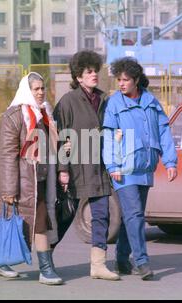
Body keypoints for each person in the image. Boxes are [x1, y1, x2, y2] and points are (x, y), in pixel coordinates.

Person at [102, 57, 178, 280]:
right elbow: (108, 136)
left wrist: (170, 161)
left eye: (125, 80)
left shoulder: (151, 101)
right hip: (123, 168)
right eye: (118, 79)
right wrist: (113, 164)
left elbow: (164, 131)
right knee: (135, 214)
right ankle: (142, 261)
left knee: (131, 216)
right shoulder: (114, 103)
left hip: (145, 167)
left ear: (136, 80)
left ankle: (122, 260)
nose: (121, 84)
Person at [54, 50, 120, 281]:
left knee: (101, 215)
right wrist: (62, 170)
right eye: (88, 72)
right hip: (75, 169)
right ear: (78, 77)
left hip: (99, 168)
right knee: (64, 217)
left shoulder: (104, 100)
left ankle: (98, 265)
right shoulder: (67, 102)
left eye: (95, 71)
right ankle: (46, 257)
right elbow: (61, 138)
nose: (94, 75)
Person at [0, 72, 63, 285]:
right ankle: (46, 269)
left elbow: (49, 146)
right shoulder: (14, 116)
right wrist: (9, 190)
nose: (40, 92)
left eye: (42, 88)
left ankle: (2, 261)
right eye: (36, 89)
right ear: (27, 90)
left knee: (30, 223)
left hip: (40, 180)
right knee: (32, 223)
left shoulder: (45, 113)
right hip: (21, 183)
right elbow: (6, 156)